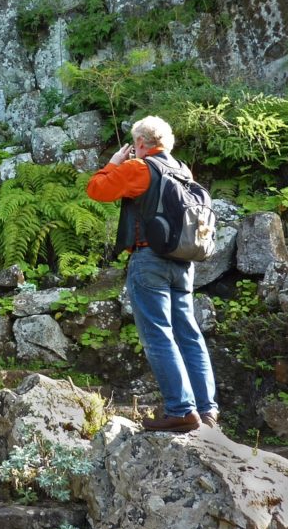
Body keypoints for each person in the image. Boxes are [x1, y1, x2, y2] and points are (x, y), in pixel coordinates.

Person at [86, 116, 218, 432]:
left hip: (149, 260)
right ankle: (207, 410)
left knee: (158, 333)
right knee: (189, 334)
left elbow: (97, 189)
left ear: (140, 143)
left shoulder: (139, 168)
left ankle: (181, 410)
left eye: (135, 145)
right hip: (183, 263)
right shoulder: (184, 172)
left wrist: (114, 162)